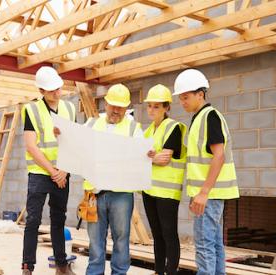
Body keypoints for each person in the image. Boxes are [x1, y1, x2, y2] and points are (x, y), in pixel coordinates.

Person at [173, 69, 239, 275]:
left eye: (185, 97)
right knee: (214, 244)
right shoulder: (199, 118)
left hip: (208, 195)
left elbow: (218, 156)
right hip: (208, 193)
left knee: (204, 245)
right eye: (180, 98)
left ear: (200, 94)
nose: (182, 102)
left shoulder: (209, 117)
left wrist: (203, 193)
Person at [21, 66, 76, 275]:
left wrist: (64, 170)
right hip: (40, 173)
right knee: (33, 220)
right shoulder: (32, 110)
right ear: (41, 91)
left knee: (58, 219)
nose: (57, 92)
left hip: (62, 173)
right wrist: (53, 171)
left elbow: (74, 142)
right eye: (52, 89)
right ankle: (28, 267)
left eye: (59, 88)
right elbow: (31, 145)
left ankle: (61, 266)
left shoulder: (70, 109)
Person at [83, 84, 142, 275]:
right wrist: (62, 136)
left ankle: (119, 273)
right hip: (94, 193)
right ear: (106, 104)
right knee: (95, 240)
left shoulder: (134, 129)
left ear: (127, 108)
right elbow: (76, 146)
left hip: (121, 195)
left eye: (120, 107)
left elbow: (141, 158)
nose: (116, 110)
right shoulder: (91, 124)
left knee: (121, 240)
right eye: (112, 105)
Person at [142, 84, 187, 275]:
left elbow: (164, 159)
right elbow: (150, 158)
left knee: (169, 234)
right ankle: (158, 271)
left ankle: (171, 271)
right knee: (157, 234)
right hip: (149, 190)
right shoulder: (148, 131)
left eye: (157, 106)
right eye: (149, 106)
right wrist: (151, 157)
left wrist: (148, 157)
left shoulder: (174, 128)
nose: (151, 110)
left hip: (167, 192)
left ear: (167, 107)